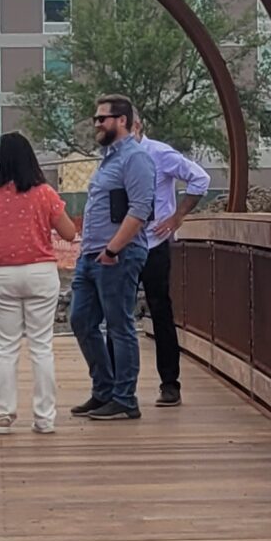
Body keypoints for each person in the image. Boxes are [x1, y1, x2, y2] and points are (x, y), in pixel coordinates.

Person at [0, 130, 79, 433]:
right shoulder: (45, 193)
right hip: (40, 273)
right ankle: (45, 418)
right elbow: (70, 233)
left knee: (6, 348)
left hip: (4, 274)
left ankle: (3, 414)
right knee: (41, 347)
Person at [67, 95, 157, 422]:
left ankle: (124, 399)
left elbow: (140, 210)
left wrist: (112, 250)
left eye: (102, 118)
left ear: (122, 121)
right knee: (80, 319)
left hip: (116, 255)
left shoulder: (136, 159)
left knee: (119, 326)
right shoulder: (108, 159)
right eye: (95, 118)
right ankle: (103, 390)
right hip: (91, 255)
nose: (97, 124)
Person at [129, 113, 210, 406]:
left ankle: (170, 384)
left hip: (153, 243)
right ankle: (118, 387)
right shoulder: (114, 157)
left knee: (160, 310)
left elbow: (200, 178)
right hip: (124, 244)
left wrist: (178, 216)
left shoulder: (159, 153)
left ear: (136, 126)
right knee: (117, 314)